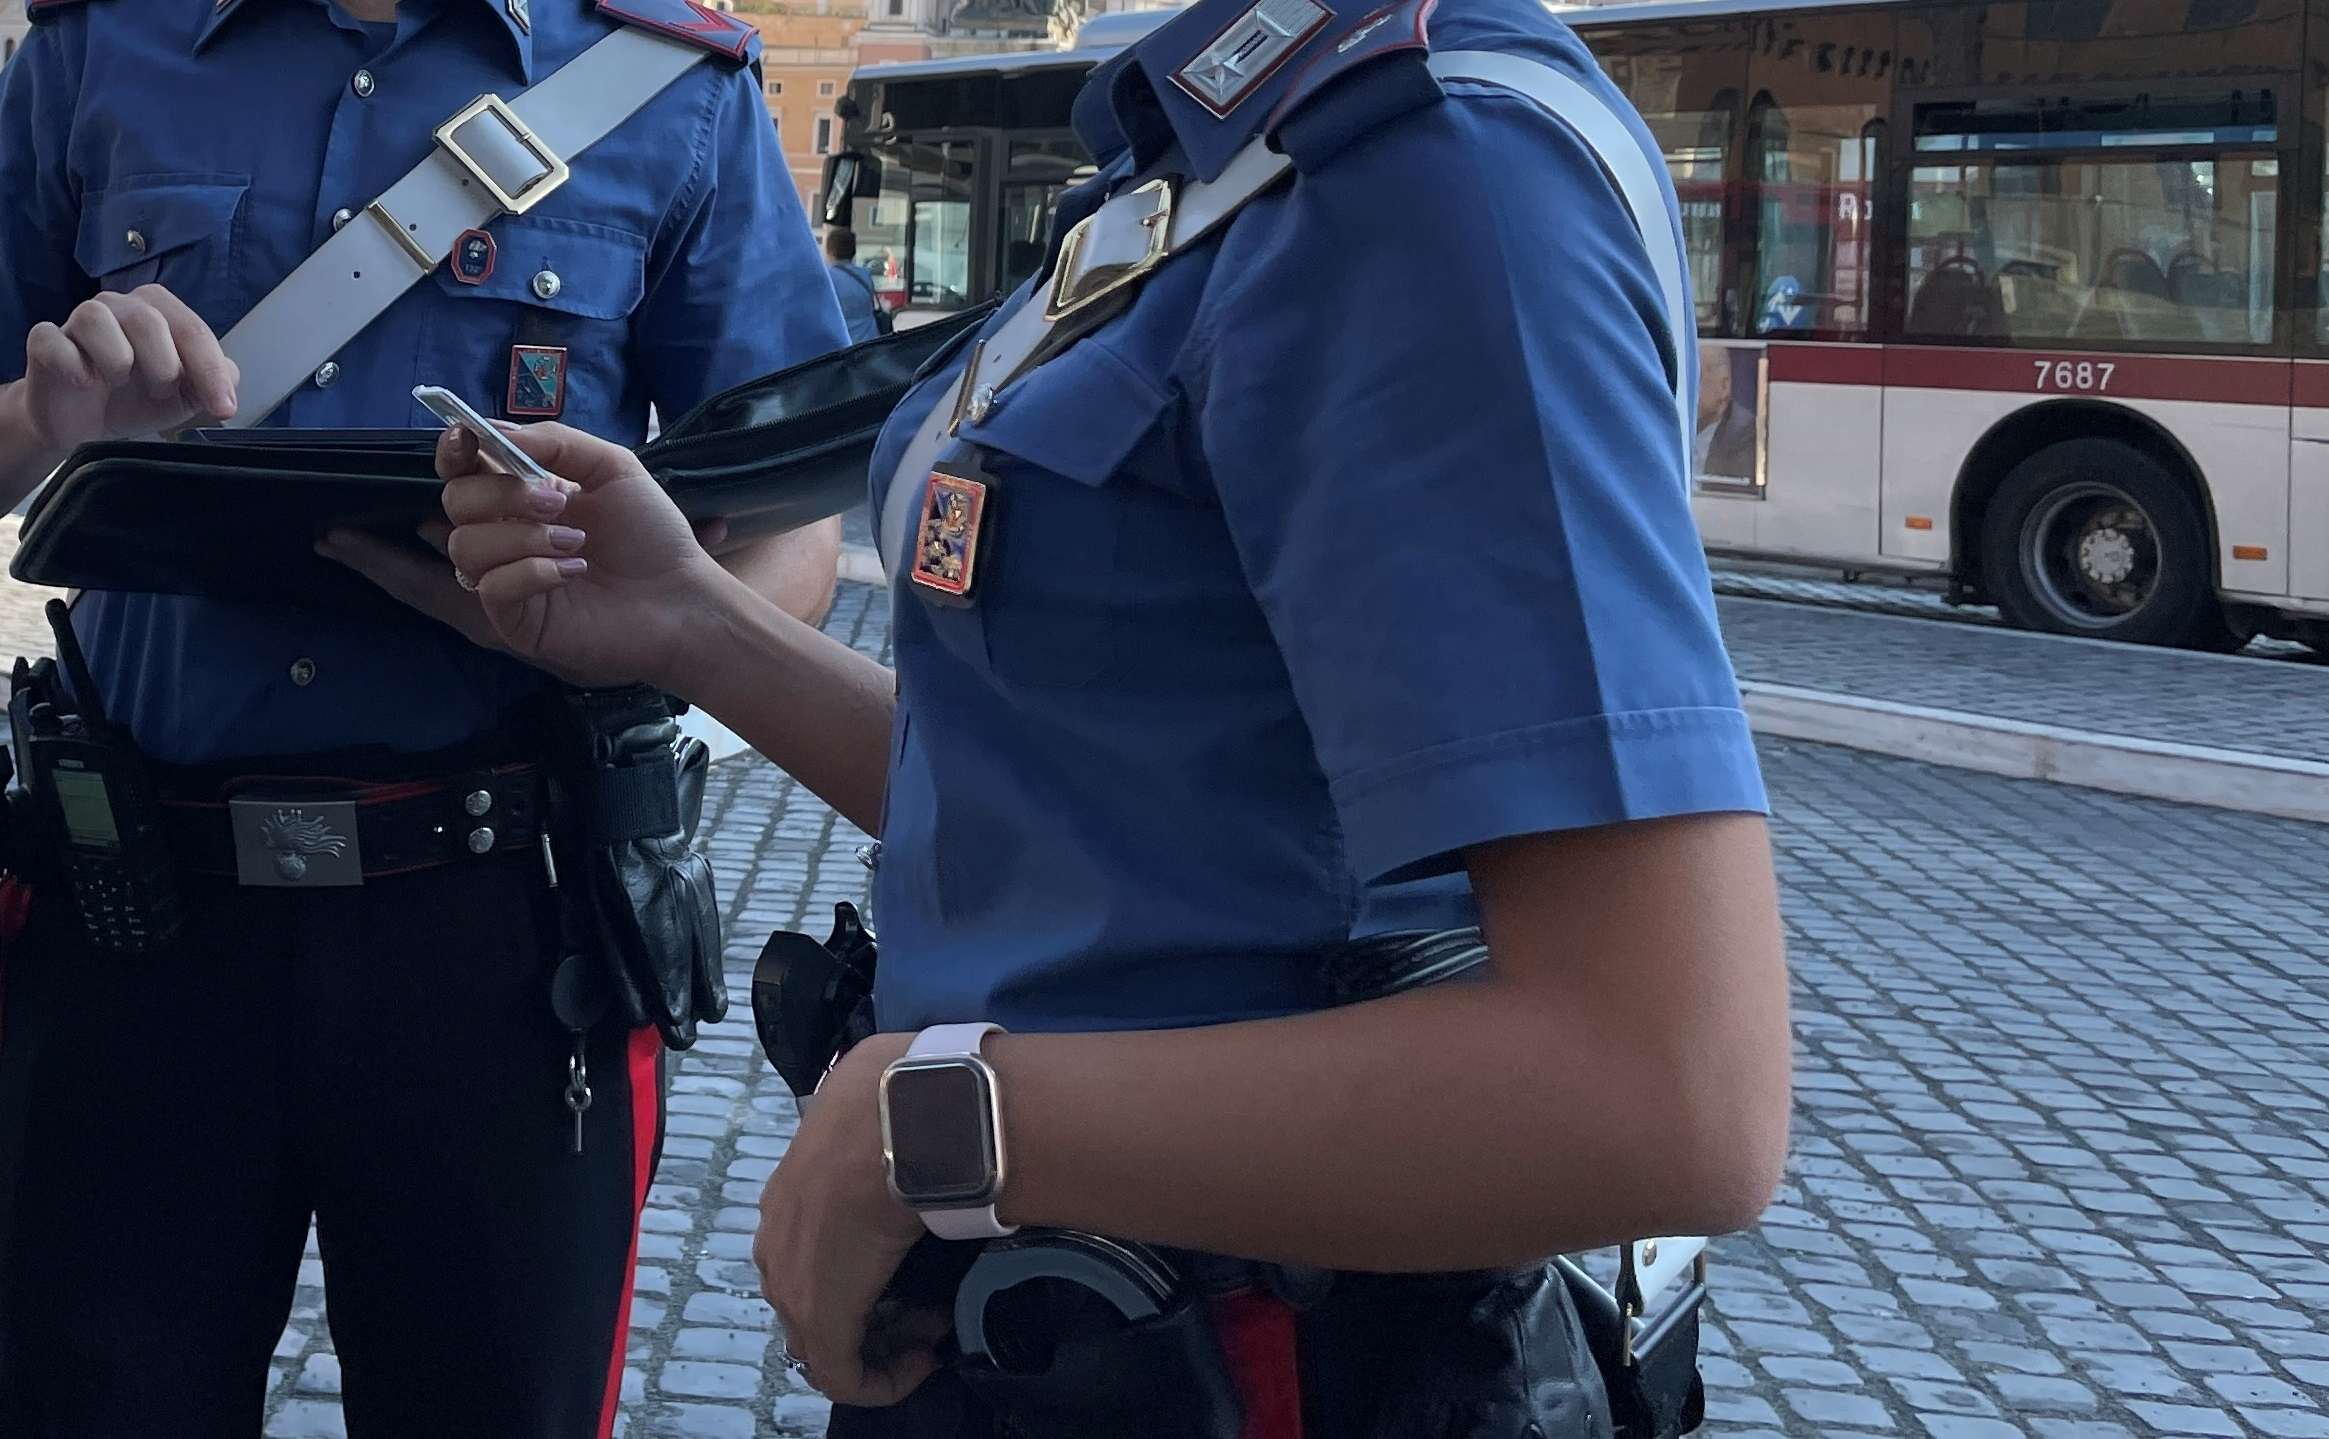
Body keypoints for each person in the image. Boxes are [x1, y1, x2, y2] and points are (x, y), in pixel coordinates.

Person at [340, 0, 1794, 1431]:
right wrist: (687, 621)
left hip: (1248, 1350)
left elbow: (1661, 1094)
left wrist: (922, 1125)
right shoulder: (1215, 143)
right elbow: (1089, 803)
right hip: (1060, 1329)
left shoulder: (1431, 175)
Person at [0, 0, 849, 1432]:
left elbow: (793, 523)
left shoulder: (667, 83)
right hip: (133, 918)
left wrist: (647, 637)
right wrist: (48, 421)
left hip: (505, 935)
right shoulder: (95, 51)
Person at [827, 227, 891, 342]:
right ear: (853, 251)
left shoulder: (828, 279)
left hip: (842, 344)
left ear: (830, 251)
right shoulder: (865, 275)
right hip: (868, 343)